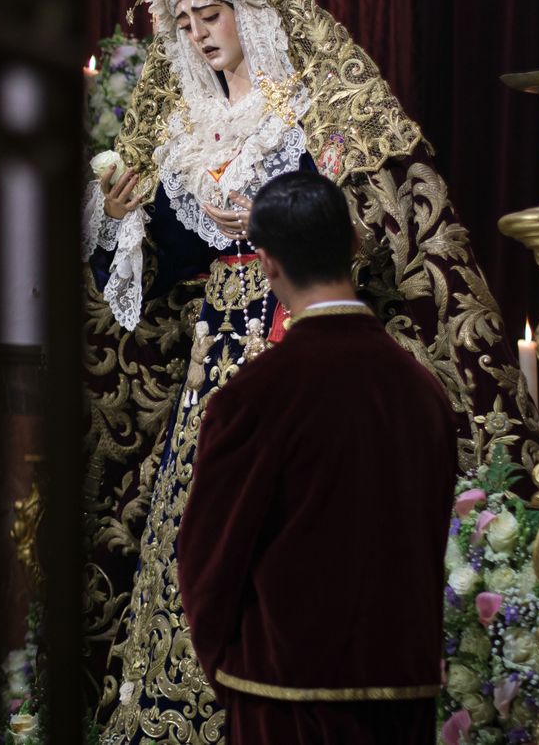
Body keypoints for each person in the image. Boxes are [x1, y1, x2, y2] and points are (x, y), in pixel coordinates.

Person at [81, 0, 539, 744]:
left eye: (211, 14)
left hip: (287, 329)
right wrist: (120, 217)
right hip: (217, 342)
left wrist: (310, 191)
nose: (201, 35)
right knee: (206, 519)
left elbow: (353, 237)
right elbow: (146, 276)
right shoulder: (183, 133)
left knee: (301, 523)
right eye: (186, 21)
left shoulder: (302, 111)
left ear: (245, 9)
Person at [176, 171, 456, 743]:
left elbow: (208, 561)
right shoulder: (424, 392)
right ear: (354, 245)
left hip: (284, 702)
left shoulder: (252, 397)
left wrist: (231, 666)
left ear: (267, 261)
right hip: (404, 698)